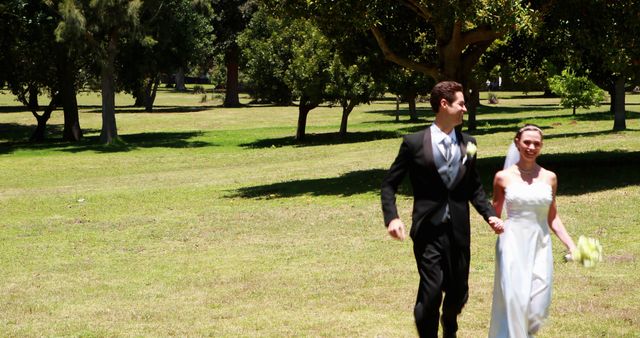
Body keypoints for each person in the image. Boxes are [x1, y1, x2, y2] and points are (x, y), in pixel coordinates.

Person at [381, 81, 504, 338]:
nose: (464, 108)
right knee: (431, 291)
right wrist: (392, 218)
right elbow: (389, 185)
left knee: (458, 293)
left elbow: (474, 188)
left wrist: (490, 215)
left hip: (459, 231)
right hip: (428, 231)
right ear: (444, 104)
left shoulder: (469, 143)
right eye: (461, 103)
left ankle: (450, 326)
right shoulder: (414, 143)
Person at [489, 124, 577, 338]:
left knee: (539, 304)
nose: (531, 147)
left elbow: (552, 216)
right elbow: (494, 212)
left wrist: (571, 245)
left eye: (536, 143)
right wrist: (494, 222)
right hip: (511, 244)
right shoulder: (502, 177)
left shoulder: (550, 178)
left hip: (540, 243)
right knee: (514, 300)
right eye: (527, 142)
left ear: (541, 146)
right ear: (517, 142)